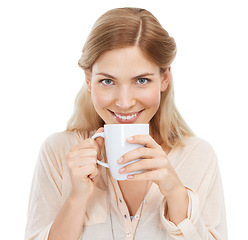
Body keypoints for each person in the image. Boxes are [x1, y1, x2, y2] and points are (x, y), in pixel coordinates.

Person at [25, 7, 227, 240]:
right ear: (89, 81)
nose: (124, 102)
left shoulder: (198, 156)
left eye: (141, 80)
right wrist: (77, 198)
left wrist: (175, 192)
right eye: (107, 81)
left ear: (164, 78)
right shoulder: (58, 152)